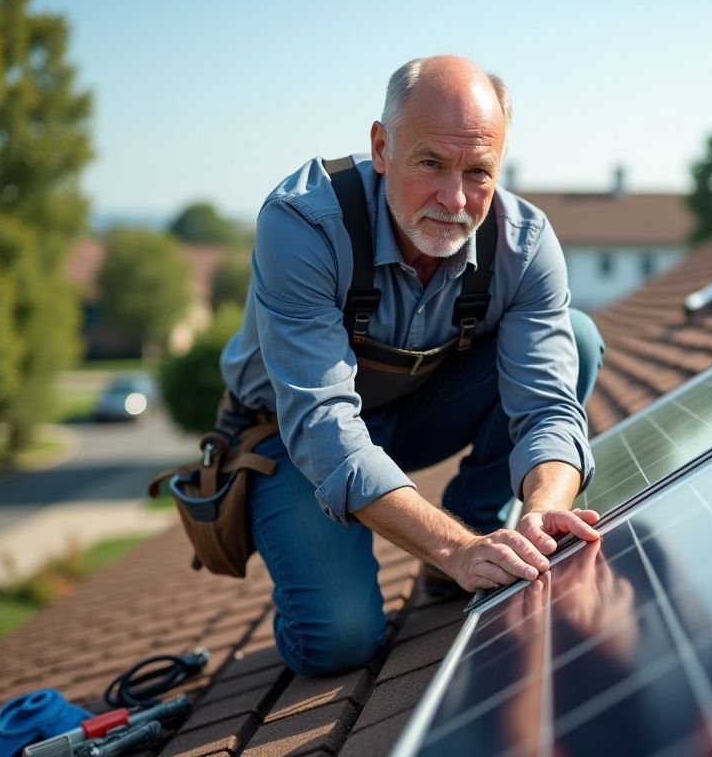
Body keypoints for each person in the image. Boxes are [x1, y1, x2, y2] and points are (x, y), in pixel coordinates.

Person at [218, 55, 605, 676]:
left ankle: (475, 535)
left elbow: (549, 407)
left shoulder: (525, 243)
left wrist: (541, 507)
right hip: (290, 439)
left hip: (417, 415)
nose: (454, 199)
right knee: (337, 642)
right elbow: (323, 427)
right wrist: (456, 549)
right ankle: (450, 548)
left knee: (578, 340)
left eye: (478, 171)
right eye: (430, 163)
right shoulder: (303, 222)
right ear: (381, 146)